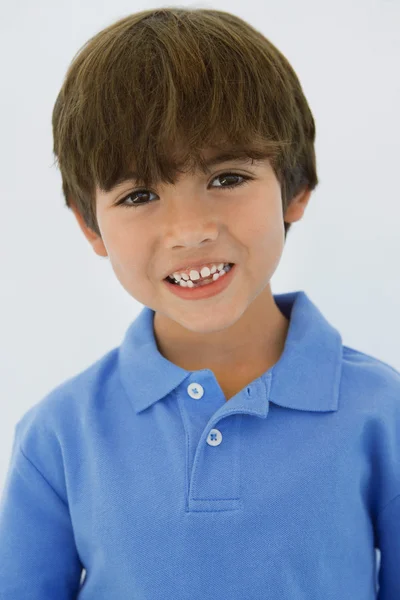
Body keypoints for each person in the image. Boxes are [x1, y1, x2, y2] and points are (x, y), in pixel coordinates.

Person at [0, 7, 398, 599]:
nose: (189, 231)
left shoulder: (382, 412)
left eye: (227, 178)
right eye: (139, 194)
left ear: (296, 189)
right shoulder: (59, 435)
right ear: (90, 227)